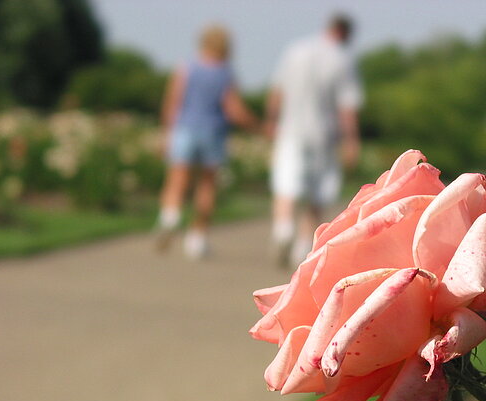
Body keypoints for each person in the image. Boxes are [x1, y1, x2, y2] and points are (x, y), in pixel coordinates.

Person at [265, 14, 363, 267]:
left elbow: (277, 90)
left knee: (286, 183)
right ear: (346, 34)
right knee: (317, 192)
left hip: (291, 129)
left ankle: (283, 227)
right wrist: (352, 140)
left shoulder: (296, 50)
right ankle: (302, 245)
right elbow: (347, 106)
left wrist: (271, 120)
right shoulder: (342, 60)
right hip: (324, 135)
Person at [155, 25, 258, 259]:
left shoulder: (187, 68)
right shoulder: (224, 73)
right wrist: (256, 125)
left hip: (185, 128)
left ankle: (170, 216)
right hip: (212, 131)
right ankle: (197, 239)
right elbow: (233, 109)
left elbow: (173, 102)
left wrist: (166, 133)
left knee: (177, 177)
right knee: (207, 184)